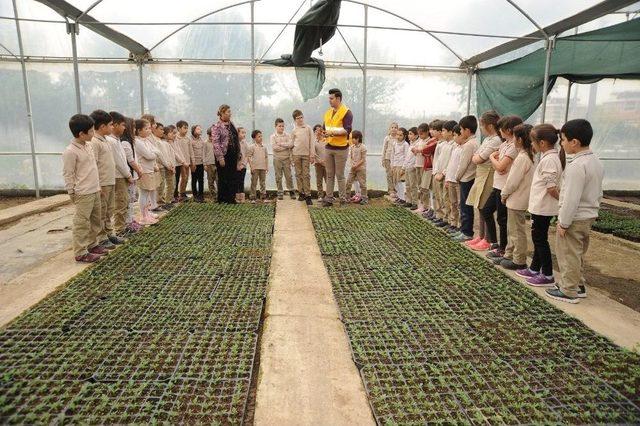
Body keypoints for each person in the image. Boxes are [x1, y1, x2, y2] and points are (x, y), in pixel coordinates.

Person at [546, 119, 603, 304]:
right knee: (577, 253)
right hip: (588, 216)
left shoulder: (577, 166)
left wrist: (563, 222)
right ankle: (578, 285)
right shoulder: (595, 161)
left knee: (568, 254)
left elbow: (571, 198)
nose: (561, 143)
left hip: (575, 218)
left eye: (563, 139)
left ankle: (568, 290)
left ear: (574, 142)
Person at [517, 124, 564, 287]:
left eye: (533, 141)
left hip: (543, 208)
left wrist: (561, 202)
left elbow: (551, 187)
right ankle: (535, 268)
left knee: (540, 240)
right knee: (538, 239)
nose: (532, 145)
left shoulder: (550, 159)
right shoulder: (548, 157)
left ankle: (548, 274)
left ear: (542, 143)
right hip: (540, 207)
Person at [63, 114, 106, 263]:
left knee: (96, 220)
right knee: (82, 222)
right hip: (83, 192)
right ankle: (80, 252)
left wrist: (98, 186)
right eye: (91, 131)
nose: (93, 134)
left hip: (94, 189)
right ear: (81, 134)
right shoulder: (70, 151)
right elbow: (68, 174)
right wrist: (71, 192)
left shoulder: (88, 146)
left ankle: (92, 245)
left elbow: (93, 169)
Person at [484, 115, 523, 263]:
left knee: (503, 219)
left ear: (507, 130)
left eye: (500, 129)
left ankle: (503, 248)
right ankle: (495, 243)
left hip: (504, 187)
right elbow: (499, 165)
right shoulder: (505, 144)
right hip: (497, 185)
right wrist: (496, 160)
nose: (499, 131)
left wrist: (493, 158)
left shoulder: (514, 146)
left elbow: (500, 166)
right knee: (486, 210)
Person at [499, 123, 534, 270]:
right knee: (513, 229)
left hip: (517, 199)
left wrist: (504, 193)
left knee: (517, 231)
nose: (512, 139)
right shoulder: (527, 155)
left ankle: (519, 260)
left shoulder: (522, 158)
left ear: (519, 139)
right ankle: (509, 254)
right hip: (518, 198)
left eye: (514, 136)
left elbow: (512, 181)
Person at [466, 111, 502, 251]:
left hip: (488, 175)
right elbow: (476, 156)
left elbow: (479, 158)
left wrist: (477, 157)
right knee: (479, 206)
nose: (480, 128)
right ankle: (481, 236)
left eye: (482, 125)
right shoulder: (487, 140)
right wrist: (477, 157)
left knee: (485, 207)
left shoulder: (496, 140)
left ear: (490, 126)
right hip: (481, 175)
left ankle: (488, 239)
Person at [89, 110, 120, 249]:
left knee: (109, 210)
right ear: (102, 127)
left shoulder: (105, 140)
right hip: (102, 183)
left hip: (110, 181)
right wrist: (98, 184)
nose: (112, 127)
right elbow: (93, 165)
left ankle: (109, 233)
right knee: (101, 212)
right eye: (110, 125)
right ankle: (101, 238)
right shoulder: (95, 142)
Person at [322, 88, 353, 207]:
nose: (329, 100)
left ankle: (343, 199)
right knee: (329, 174)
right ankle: (329, 198)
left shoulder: (347, 112)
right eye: (329, 98)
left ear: (338, 99)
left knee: (339, 175)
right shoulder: (328, 112)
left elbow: (347, 130)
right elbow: (325, 127)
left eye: (331, 98)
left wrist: (332, 133)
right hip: (329, 147)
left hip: (341, 148)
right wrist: (324, 133)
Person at [452, 115, 478, 242]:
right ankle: (464, 230)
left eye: (461, 130)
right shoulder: (474, 142)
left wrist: (457, 177)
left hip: (466, 179)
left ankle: (467, 232)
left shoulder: (469, 145)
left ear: (467, 130)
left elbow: (463, 164)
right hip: (468, 178)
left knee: (465, 206)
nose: (460, 132)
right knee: (465, 206)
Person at [107, 111, 134, 237]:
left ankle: (122, 228)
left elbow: (122, 160)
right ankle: (119, 229)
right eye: (123, 125)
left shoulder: (116, 140)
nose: (124, 128)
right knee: (120, 203)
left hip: (122, 175)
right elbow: (119, 162)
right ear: (115, 125)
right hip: (118, 176)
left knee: (124, 202)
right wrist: (128, 175)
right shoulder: (111, 141)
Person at [211, 104, 241, 204]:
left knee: (232, 177)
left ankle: (231, 199)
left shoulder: (231, 124)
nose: (230, 113)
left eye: (230, 111)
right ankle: (222, 199)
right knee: (223, 177)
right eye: (228, 112)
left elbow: (236, 140)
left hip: (233, 155)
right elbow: (216, 143)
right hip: (224, 156)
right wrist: (220, 158)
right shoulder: (216, 126)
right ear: (222, 113)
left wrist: (238, 154)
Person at [133, 118, 159, 225]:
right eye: (146, 128)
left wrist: (153, 154)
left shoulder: (146, 140)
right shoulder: (137, 142)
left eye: (149, 128)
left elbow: (157, 150)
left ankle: (147, 212)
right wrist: (154, 154)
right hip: (144, 171)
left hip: (149, 170)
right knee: (144, 194)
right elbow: (149, 155)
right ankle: (144, 216)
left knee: (148, 193)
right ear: (139, 131)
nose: (149, 130)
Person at [120, 117, 144, 234]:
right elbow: (130, 160)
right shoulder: (124, 142)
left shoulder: (130, 141)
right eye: (133, 127)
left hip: (132, 175)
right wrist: (139, 170)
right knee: (128, 200)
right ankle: (127, 223)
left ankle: (131, 220)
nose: (135, 129)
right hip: (128, 175)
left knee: (131, 199)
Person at [433, 120, 456, 227]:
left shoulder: (454, 145)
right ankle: (445, 218)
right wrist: (438, 172)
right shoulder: (445, 144)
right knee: (442, 197)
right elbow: (439, 160)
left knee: (449, 199)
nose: (442, 133)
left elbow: (451, 162)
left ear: (451, 132)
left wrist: (443, 173)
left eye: (443, 131)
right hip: (439, 174)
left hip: (446, 176)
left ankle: (451, 221)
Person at [291, 110, 315, 205]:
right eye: (298, 118)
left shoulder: (308, 128)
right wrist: (291, 157)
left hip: (306, 155)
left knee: (306, 175)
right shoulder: (294, 130)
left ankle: (308, 195)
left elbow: (312, 142)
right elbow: (291, 144)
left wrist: (312, 155)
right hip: (296, 154)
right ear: (295, 120)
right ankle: (301, 193)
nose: (300, 119)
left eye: (301, 117)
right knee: (298, 174)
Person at [444, 124, 463, 234]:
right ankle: (453, 223)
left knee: (460, 204)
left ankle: (460, 225)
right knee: (453, 203)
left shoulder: (464, 148)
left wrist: (456, 178)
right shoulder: (455, 147)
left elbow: (461, 166)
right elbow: (450, 164)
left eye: (456, 135)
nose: (455, 137)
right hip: (451, 179)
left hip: (458, 181)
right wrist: (447, 178)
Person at [163, 124, 187, 207]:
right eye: (172, 133)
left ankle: (172, 198)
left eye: (174, 133)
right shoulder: (166, 143)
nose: (174, 135)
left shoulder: (174, 141)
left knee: (174, 182)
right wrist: (182, 161)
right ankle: (170, 199)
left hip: (176, 164)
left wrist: (183, 161)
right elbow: (172, 154)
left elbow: (177, 152)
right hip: (171, 165)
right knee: (171, 183)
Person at [271, 118, 295, 200]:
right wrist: (285, 146)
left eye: (283, 126)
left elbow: (291, 145)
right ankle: (280, 192)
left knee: (288, 176)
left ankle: (291, 190)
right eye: (279, 126)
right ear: (275, 126)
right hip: (277, 159)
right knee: (278, 176)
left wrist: (280, 144)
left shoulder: (287, 135)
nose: (281, 127)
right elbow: (275, 148)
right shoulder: (273, 137)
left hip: (286, 158)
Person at [344, 130, 368, 205]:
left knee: (362, 184)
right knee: (348, 182)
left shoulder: (363, 147)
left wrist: (356, 165)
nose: (352, 140)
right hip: (353, 168)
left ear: (358, 138)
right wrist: (352, 165)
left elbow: (363, 159)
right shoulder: (352, 147)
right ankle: (347, 197)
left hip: (361, 169)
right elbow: (350, 157)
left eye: (353, 138)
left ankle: (364, 198)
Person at [420, 123, 438, 217]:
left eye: (433, 129)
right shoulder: (433, 140)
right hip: (429, 166)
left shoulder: (436, 141)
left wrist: (423, 149)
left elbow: (425, 150)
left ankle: (434, 210)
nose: (431, 131)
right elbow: (424, 150)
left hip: (432, 168)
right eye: (431, 129)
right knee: (430, 189)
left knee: (433, 190)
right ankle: (431, 209)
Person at [248, 129, 268, 203]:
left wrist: (266, 166)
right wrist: (251, 166)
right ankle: (253, 197)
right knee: (254, 182)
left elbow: (266, 157)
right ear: (254, 138)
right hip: (255, 168)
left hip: (263, 167)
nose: (261, 138)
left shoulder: (264, 147)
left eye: (261, 136)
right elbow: (249, 157)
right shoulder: (252, 147)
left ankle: (263, 197)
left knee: (263, 182)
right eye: (259, 136)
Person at [412, 123, 428, 213]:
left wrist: (419, 151)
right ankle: (421, 205)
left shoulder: (428, 141)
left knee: (424, 187)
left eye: (422, 134)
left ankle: (425, 206)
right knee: (419, 186)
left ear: (427, 132)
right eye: (419, 134)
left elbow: (426, 152)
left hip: (423, 166)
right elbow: (416, 152)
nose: (420, 136)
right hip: (417, 165)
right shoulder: (419, 141)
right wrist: (415, 151)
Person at [391, 127, 409, 205]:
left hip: (401, 166)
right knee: (396, 182)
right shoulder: (394, 143)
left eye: (400, 135)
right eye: (397, 135)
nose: (398, 137)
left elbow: (406, 157)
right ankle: (399, 196)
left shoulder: (405, 145)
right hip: (395, 165)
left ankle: (403, 198)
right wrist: (392, 165)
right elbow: (392, 154)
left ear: (404, 136)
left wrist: (403, 168)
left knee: (401, 182)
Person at [174, 120, 191, 201]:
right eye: (184, 128)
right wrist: (182, 162)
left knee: (186, 177)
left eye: (187, 128)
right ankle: (180, 194)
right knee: (183, 177)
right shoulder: (175, 138)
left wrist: (192, 161)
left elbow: (190, 151)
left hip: (187, 162)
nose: (186, 130)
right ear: (178, 128)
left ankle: (183, 193)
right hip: (180, 162)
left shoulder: (188, 139)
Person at [381, 122, 398, 197]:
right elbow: (384, 149)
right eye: (392, 127)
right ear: (389, 129)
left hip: (396, 159)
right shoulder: (387, 138)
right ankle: (391, 190)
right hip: (388, 158)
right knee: (389, 174)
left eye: (395, 128)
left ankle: (396, 190)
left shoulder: (398, 138)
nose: (394, 129)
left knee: (395, 174)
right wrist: (383, 159)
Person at [404, 127, 419, 210]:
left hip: (412, 167)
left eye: (411, 134)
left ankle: (414, 202)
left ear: (416, 135)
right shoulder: (411, 144)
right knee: (408, 185)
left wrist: (413, 165)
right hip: (407, 167)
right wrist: (404, 166)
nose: (409, 136)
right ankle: (408, 201)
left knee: (413, 185)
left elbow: (415, 157)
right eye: (409, 134)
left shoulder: (417, 144)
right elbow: (407, 157)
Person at [189, 124, 205, 203]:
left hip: (201, 163)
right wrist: (193, 163)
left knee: (201, 180)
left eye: (200, 129)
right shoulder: (190, 140)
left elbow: (203, 152)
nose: (200, 130)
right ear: (193, 131)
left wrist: (204, 162)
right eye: (198, 129)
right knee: (194, 179)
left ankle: (201, 195)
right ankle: (195, 196)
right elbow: (191, 153)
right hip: (194, 164)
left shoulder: (201, 140)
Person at [202, 125, 217, 201]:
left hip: (217, 164)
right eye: (210, 136)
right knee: (210, 181)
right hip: (209, 164)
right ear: (208, 135)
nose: (212, 137)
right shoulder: (205, 143)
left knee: (218, 180)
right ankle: (213, 196)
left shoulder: (217, 143)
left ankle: (219, 195)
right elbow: (203, 154)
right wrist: (204, 164)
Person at [313, 124, 327, 202]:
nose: (318, 132)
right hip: (318, 164)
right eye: (316, 130)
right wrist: (320, 161)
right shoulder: (314, 142)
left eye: (320, 130)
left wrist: (325, 161)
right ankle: (320, 195)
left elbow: (328, 152)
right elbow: (314, 153)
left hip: (327, 163)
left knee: (328, 179)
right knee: (319, 180)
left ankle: (329, 195)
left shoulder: (326, 140)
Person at [236, 127, 249, 203]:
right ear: (237, 133)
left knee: (241, 181)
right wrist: (237, 165)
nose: (244, 134)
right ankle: (237, 197)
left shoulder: (245, 143)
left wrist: (243, 164)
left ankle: (242, 198)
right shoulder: (235, 143)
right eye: (242, 133)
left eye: (245, 133)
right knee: (236, 181)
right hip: (235, 167)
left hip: (243, 166)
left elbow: (247, 155)